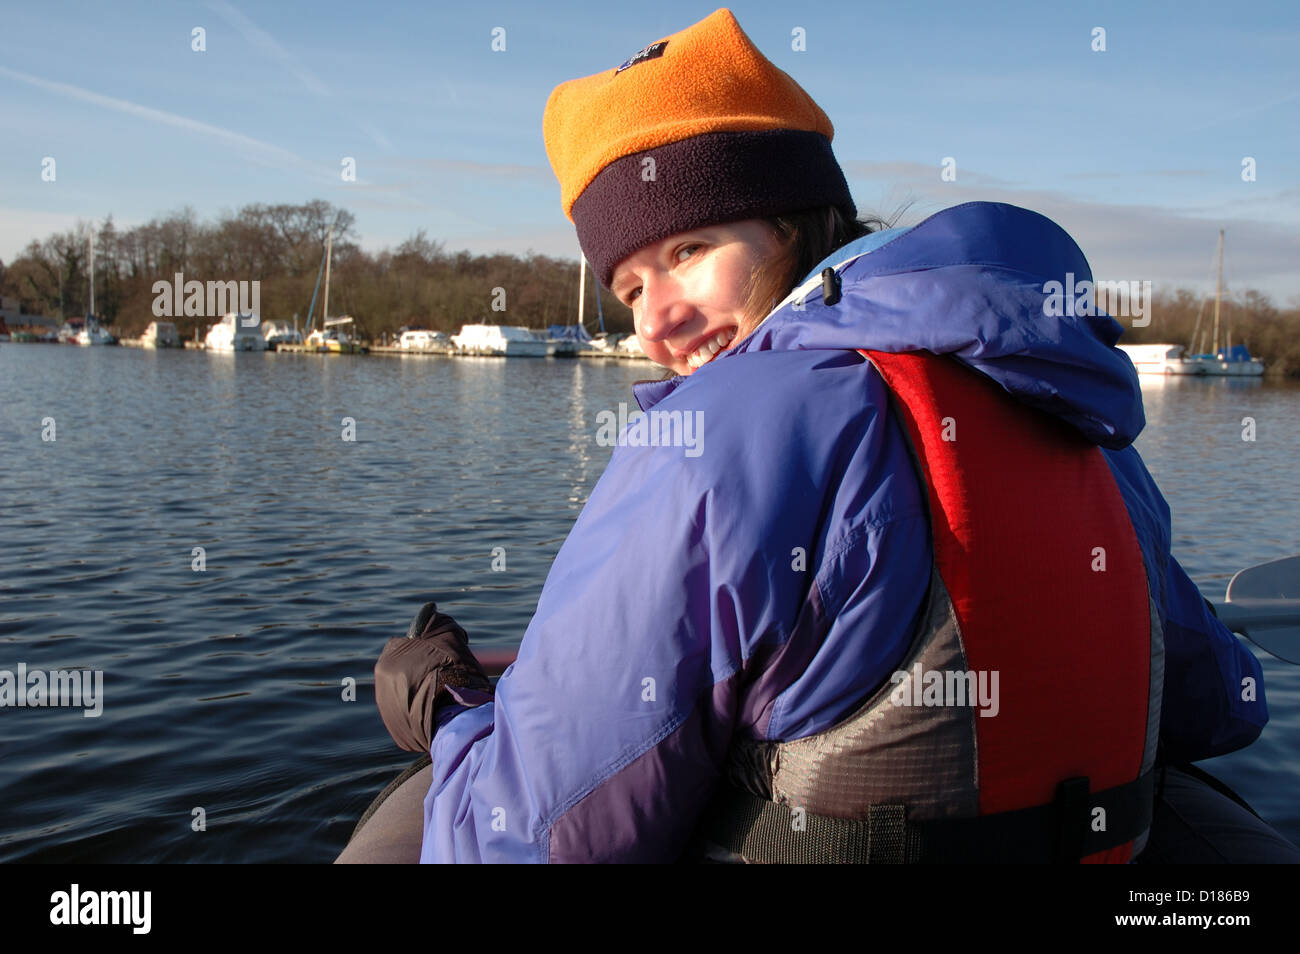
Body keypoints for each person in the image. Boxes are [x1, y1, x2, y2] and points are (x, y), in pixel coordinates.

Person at [357, 7, 1296, 864]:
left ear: (798, 225)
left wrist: (447, 710)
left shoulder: (716, 431)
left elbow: (531, 838)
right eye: (631, 287)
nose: (657, 323)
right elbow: (1217, 706)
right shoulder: (1076, 417)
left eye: (688, 252)